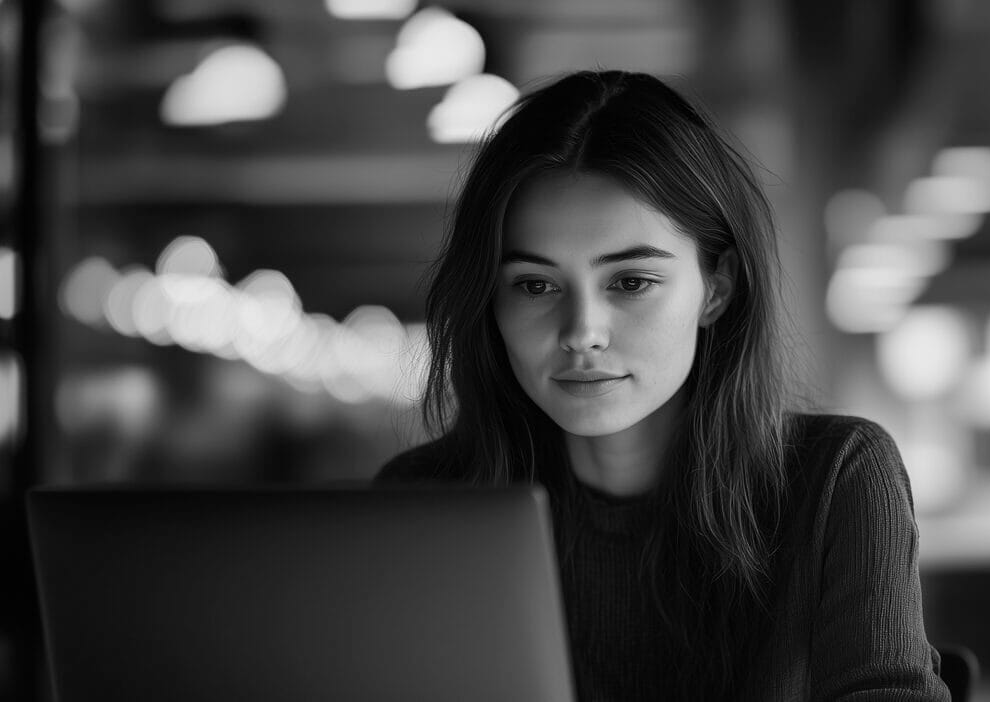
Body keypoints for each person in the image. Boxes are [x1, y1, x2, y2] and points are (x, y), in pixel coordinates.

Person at [376, 70, 949, 702]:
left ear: (718, 287)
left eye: (630, 282)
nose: (582, 332)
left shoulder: (835, 478)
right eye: (535, 285)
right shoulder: (425, 502)